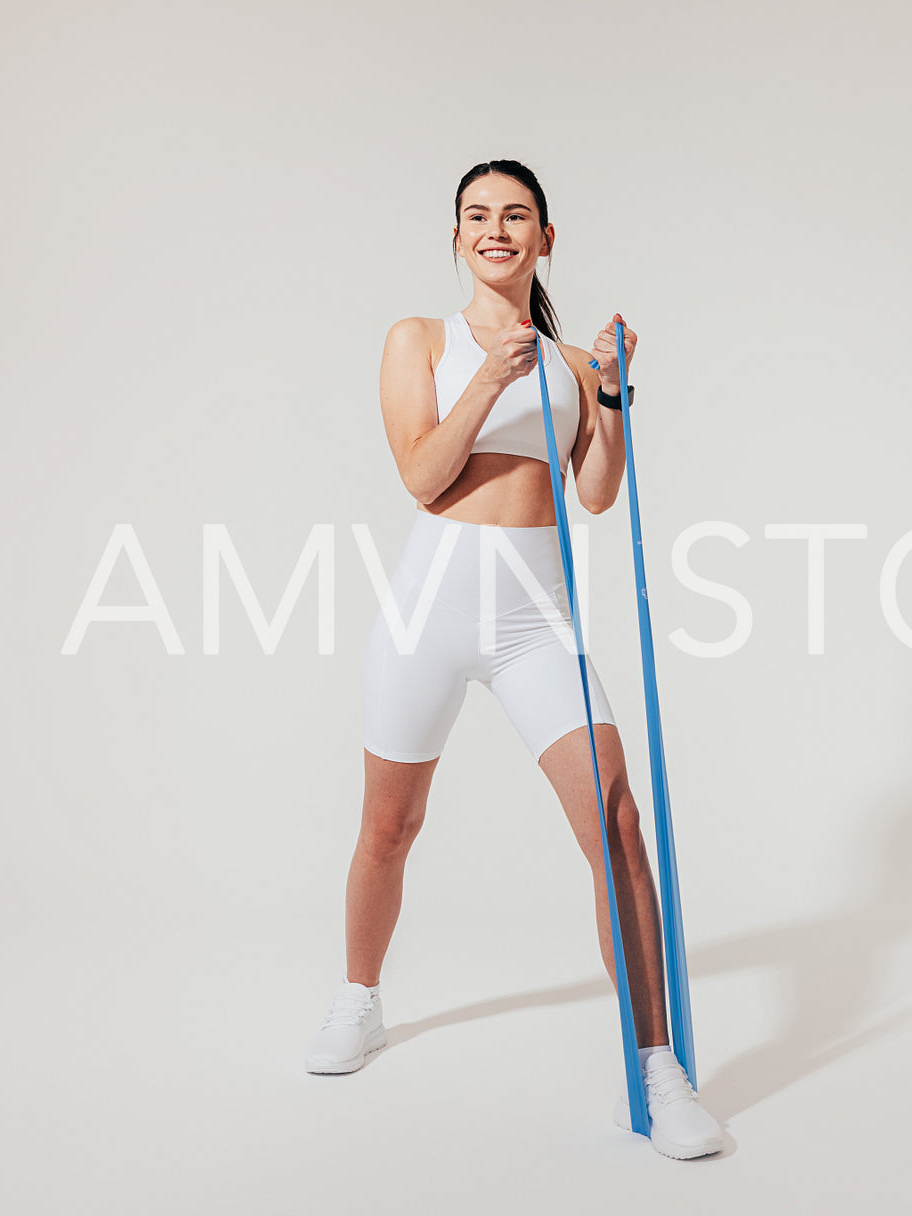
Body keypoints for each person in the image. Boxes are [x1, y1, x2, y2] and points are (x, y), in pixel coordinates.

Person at [303, 159, 722, 1160]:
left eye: (515, 215)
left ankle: (656, 1066)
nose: (496, 229)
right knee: (388, 829)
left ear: (544, 236)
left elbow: (594, 494)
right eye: (477, 216)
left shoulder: (573, 361)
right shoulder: (420, 340)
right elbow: (419, 473)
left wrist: (611, 396)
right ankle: (359, 997)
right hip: (428, 611)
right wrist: (491, 373)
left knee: (616, 822)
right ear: (457, 236)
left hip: (539, 618)